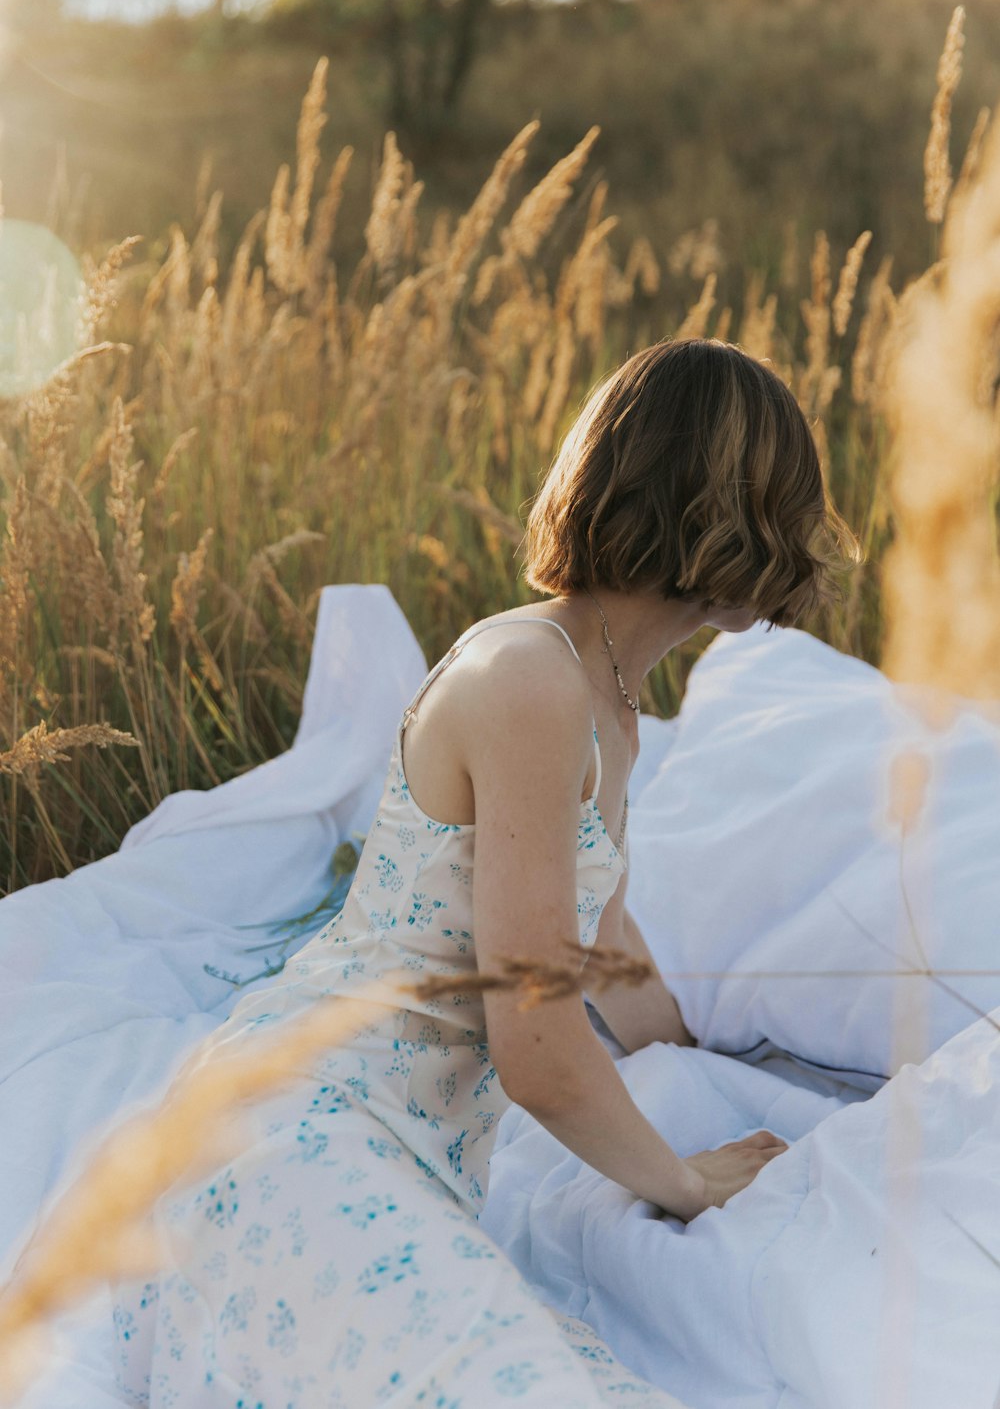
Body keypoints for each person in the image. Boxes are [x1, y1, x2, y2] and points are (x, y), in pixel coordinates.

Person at [111, 337, 859, 1406]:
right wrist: (687, 1182)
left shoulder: (606, 697)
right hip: (299, 1132)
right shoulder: (528, 677)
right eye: (786, 498)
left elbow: (591, 934)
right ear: (723, 508)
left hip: (399, 1155)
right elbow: (536, 1040)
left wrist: (719, 1056)